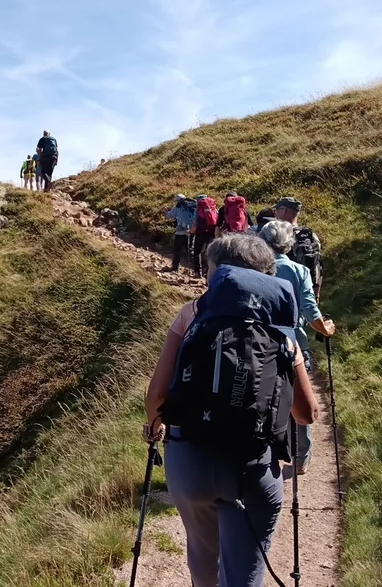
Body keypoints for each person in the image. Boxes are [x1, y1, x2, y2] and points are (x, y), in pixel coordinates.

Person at [144, 234, 320, 587]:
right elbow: (306, 415)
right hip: (252, 466)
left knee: (202, 555)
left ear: (218, 275)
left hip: (190, 461)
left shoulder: (191, 316)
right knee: (243, 575)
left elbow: (157, 396)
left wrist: (154, 429)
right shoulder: (280, 329)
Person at [257, 220, 337, 472]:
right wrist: (325, 329)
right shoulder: (300, 271)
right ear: (288, 244)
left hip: (260, 345)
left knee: (263, 398)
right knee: (298, 398)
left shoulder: (256, 270)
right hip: (294, 345)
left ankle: (265, 453)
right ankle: (300, 457)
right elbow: (310, 311)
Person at [271, 197, 323, 292]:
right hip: (308, 288)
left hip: (285, 288)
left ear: (284, 211)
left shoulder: (277, 234)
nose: (275, 213)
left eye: (277, 210)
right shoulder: (310, 235)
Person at [165, 194, 197, 272]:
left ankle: (175, 268)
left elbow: (169, 216)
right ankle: (197, 268)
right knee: (190, 249)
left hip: (180, 232)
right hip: (191, 231)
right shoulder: (192, 206)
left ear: (178, 201)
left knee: (177, 250)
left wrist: (166, 212)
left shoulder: (177, 207)